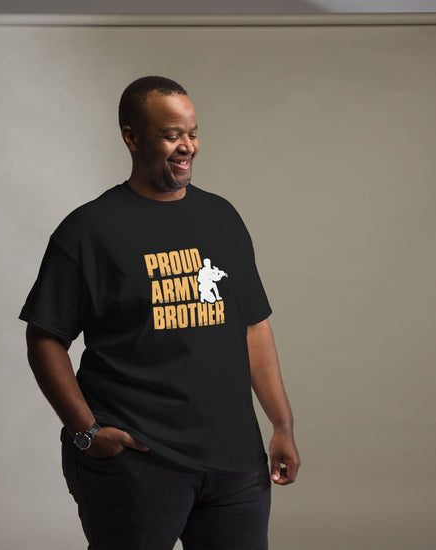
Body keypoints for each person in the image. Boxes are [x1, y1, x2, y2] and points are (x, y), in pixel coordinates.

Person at [20, 76, 300, 550]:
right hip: (138, 462)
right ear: (131, 137)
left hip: (235, 465)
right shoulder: (89, 230)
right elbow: (45, 338)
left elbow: (253, 327)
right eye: (171, 135)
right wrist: (87, 433)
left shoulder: (222, 219)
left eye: (192, 133)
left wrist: (282, 425)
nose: (187, 146)